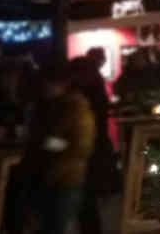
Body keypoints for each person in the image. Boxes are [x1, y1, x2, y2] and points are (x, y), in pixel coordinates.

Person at [23, 61, 96, 234]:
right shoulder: (45, 106)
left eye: (46, 83)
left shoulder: (76, 107)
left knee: (56, 226)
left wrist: (45, 143)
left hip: (65, 178)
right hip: (45, 177)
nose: (43, 88)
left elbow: (80, 146)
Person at [71, 49, 114, 234]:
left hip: (84, 153)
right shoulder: (96, 85)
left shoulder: (79, 97)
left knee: (85, 203)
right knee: (89, 204)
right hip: (96, 148)